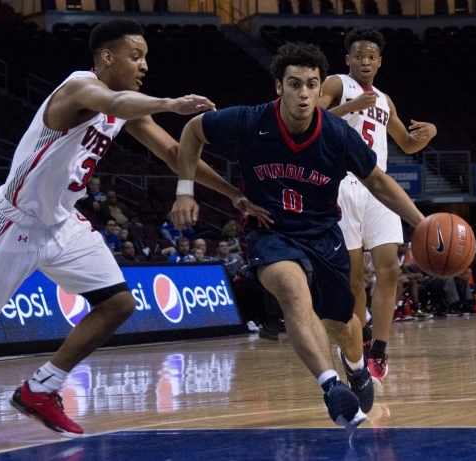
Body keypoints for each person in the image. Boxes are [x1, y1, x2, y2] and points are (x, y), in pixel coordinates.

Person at [0, 19, 267, 437]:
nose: (143, 66)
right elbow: (115, 103)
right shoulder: (79, 88)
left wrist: (232, 193)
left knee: (118, 304)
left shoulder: (125, 107)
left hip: (64, 224)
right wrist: (171, 104)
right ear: (107, 57)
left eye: (146, 59)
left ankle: (41, 388)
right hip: (15, 222)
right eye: (135, 57)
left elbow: (175, 152)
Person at [172, 42, 425, 429]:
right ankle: (331, 387)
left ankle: (356, 367)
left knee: (345, 326)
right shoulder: (250, 120)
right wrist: (185, 190)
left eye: (311, 84)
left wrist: (420, 223)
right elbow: (192, 131)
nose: (304, 94)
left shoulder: (337, 134)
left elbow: (377, 180)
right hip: (269, 233)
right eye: (294, 84)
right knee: (292, 290)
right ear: (279, 87)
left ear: (320, 85)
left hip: (324, 235)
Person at [318, 27, 437, 386]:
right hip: (342, 186)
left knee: (388, 270)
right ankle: (362, 336)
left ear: (380, 61)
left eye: (371, 57)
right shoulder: (337, 83)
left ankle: (379, 351)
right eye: (359, 56)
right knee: (355, 279)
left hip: (377, 185)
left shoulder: (385, 101)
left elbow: (405, 142)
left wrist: (426, 136)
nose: (365, 61)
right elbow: (312, 121)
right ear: (348, 59)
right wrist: (350, 107)